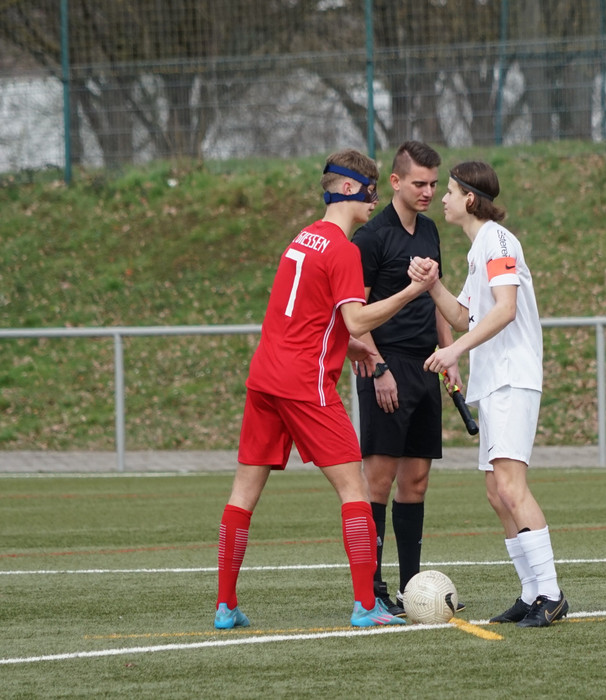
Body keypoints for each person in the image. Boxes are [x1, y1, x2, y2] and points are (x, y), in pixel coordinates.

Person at [214, 149, 438, 630]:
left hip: (264, 379)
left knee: (242, 494)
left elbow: (311, 315)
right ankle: (366, 606)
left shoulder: (303, 238)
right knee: (354, 488)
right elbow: (356, 315)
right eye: (372, 189)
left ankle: (225, 605)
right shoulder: (343, 248)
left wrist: (350, 344)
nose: (374, 201)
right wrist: (410, 293)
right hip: (303, 384)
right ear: (352, 190)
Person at [407, 161, 569, 628]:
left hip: (512, 378)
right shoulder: (481, 247)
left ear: (470, 199)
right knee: (497, 493)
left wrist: (454, 350)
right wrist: (432, 284)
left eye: (451, 191)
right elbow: (465, 315)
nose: (443, 198)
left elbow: (505, 309)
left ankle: (551, 594)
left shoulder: (497, 239)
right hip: (495, 381)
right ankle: (530, 592)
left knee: (512, 488)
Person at [351, 141, 463, 617]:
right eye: (419, 183)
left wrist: (448, 352)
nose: (428, 191)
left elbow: (435, 299)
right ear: (395, 182)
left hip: (424, 365)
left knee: (415, 481)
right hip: (385, 365)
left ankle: (409, 588)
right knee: (378, 480)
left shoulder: (432, 230)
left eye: (434, 184)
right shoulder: (371, 238)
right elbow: (354, 313)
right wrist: (377, 368)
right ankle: (371, 589)